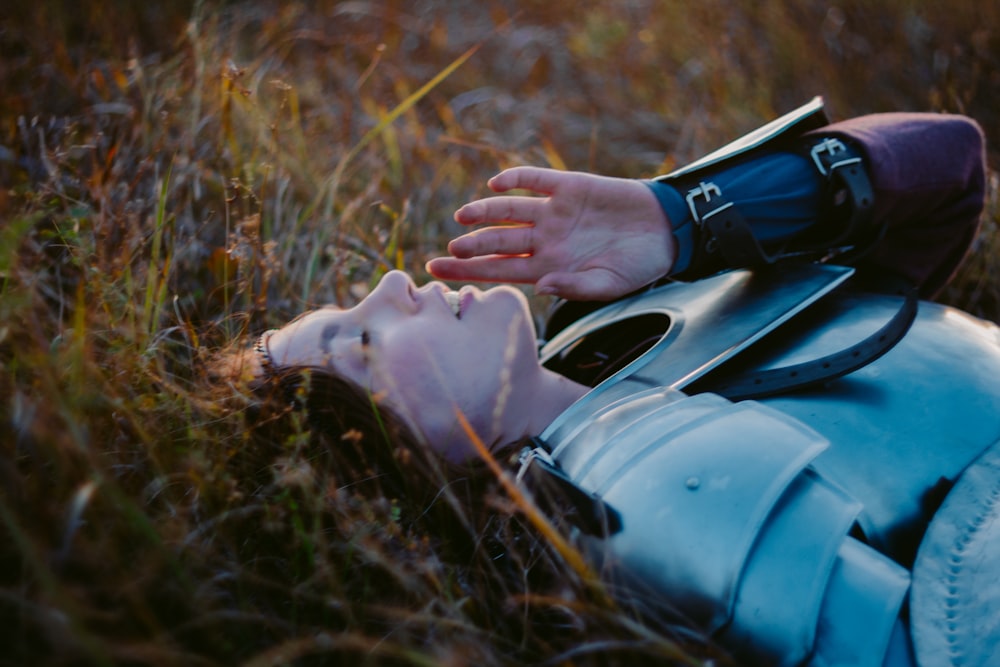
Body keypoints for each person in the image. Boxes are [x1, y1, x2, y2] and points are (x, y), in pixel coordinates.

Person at [247, 100, 997, 666]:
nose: (387, 284)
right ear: (396, 471)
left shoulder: (611, 330)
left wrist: (679, 222)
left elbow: (950, 165)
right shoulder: (652, 512)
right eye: (365, 342)